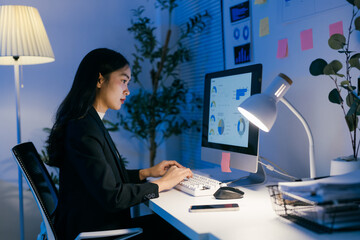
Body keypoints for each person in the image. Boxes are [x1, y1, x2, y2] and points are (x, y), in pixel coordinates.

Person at [46, 48, 193, 239]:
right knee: (182, 232)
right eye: (123, 80)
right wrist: (163, 183)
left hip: (97, 224)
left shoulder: (88, 121)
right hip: (98, 232)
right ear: (100, 80)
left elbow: (105, 181)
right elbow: (113, 197)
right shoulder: (83, 129)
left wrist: (145, 173)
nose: (127, 90)